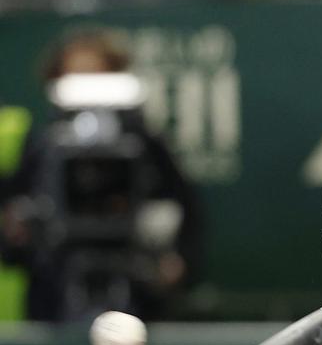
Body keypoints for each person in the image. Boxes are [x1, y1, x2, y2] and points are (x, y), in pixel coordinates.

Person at [0, 28, 203, 322]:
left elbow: (183, 204)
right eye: (75, 74)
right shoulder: (45, 143)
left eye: (95, 72)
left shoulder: (143, 140)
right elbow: (19, 204)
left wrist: (176, 261)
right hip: (55, 287)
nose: (86, 83)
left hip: (136, 285)